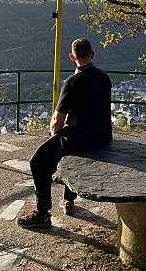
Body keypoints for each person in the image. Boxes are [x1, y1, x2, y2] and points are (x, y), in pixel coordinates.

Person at [17, 38, 112, 228]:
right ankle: (69, 199)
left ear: (72, 57)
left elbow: (57, 122)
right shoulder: (105, 78)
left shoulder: (72, 82)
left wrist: (54, 136)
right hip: (102, 137)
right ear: (92, 54)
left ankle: (43, 213)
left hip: (80, 136)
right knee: (66, 149)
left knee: (38, 160)